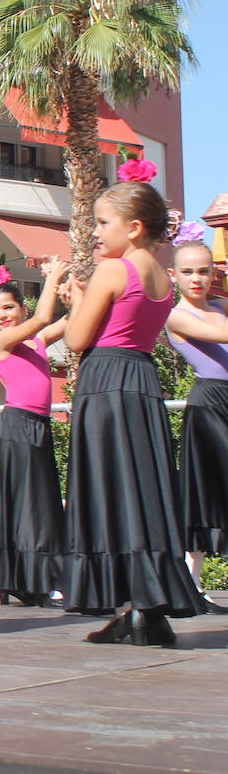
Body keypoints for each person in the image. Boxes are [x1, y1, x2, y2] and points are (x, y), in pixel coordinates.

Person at [63, 161, 204, 645]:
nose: (96, 231)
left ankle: (125, 606)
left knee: (107, 492)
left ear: (134, 227)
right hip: (142, 383)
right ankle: (149, 608)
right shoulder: (164, 278)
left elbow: (78, 338)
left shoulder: (112, 270)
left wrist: (78, 299)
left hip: (105, 382)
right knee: (143, 494)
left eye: (103, 223)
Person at [0, 259, 69, 608]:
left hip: (37, 426)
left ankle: (13, 578)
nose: (1, 315)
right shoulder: (3, 342)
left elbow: (64, 320)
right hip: (18, 425)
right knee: (33, 506)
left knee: (30, 503)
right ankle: (41, 582)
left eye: (8, 307)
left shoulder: (37, 341)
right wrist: (53, 277)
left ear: (22, 307)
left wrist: (72, 289)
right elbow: (45, 318)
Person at [163, 224, 228, 614]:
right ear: (174, 275)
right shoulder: (178, 317)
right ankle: (192, 582)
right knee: (205, 494)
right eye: (188, 271)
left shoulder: (219, 305)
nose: (197, 278)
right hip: (209, 406)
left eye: (203, 270)